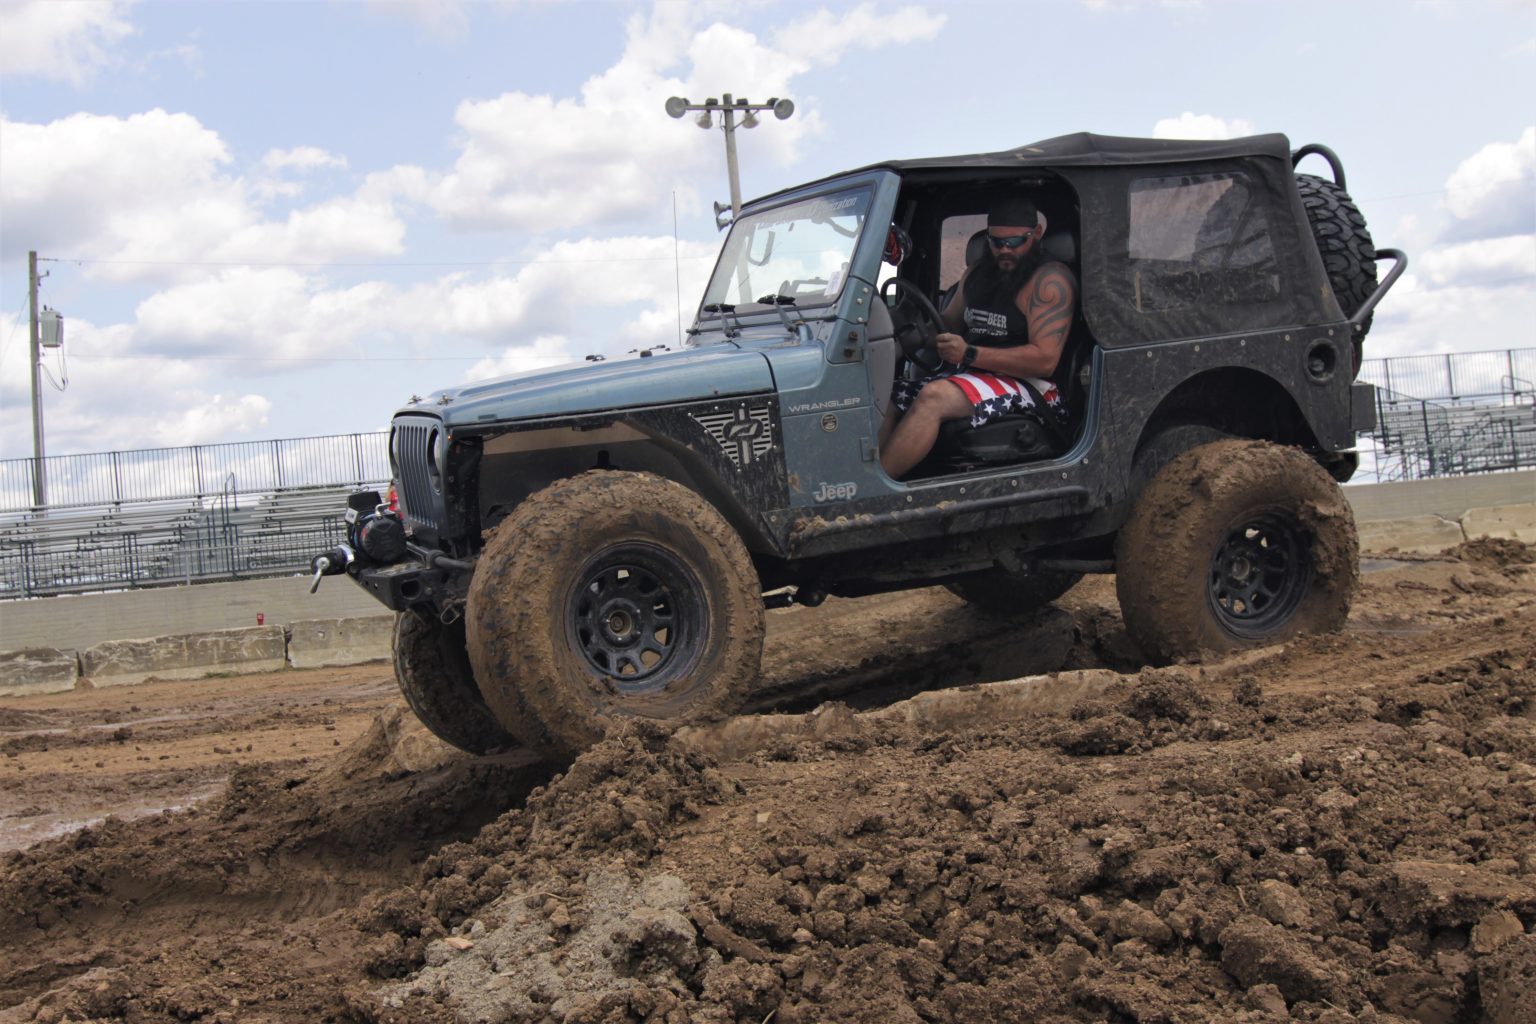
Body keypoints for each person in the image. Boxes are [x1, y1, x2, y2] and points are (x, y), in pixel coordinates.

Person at [879, 196, 1076, 479]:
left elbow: (1044, 359)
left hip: (1033, 385)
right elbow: (947, 324)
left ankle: (877, 494)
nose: (1004, 250)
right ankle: (866, 477)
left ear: (1036, 235)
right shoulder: (976, 274)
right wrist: (912, 335)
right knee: (887, 394)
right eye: (996, 242)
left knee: (934, 397)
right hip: (973, 374)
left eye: (1015, 242)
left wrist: (969, 353)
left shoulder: (1049, 282)